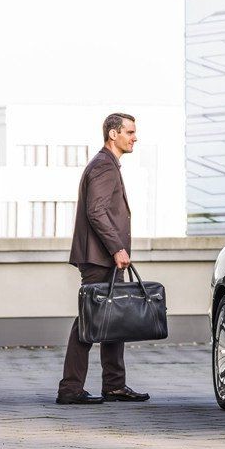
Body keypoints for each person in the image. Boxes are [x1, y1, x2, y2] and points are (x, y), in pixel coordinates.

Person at [56, 113, 150, 405]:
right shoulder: (103, 166)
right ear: (113, 134)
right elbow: (96, 211)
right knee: (89, 321)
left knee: (113, 318)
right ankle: (70, 389)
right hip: (99, 258)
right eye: (130, 132)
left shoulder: (108, 164)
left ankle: (114, 385)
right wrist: (116, 248)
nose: (135, 137)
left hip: (105, 258)